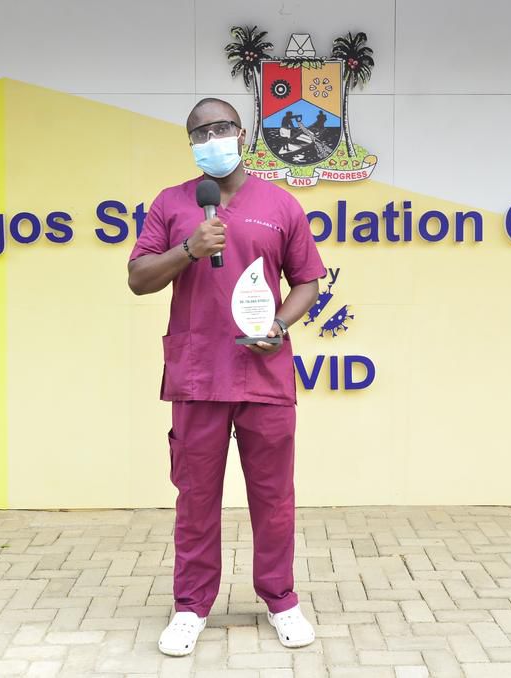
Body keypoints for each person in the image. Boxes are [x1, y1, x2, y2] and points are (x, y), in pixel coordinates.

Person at [127, 98, 326, 657]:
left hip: (263, 375)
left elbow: (308, 281)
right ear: (190, 144)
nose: (210, 139)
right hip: (197, 377)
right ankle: (190, 607)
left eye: (220, 128)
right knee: (195, 498)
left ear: (241, 133)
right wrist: (188, 249)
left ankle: (281, 599)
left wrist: (280, 326)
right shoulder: (172, 204)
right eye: (199, 133)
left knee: (273, 497)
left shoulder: (280, 205)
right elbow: (139, 277)